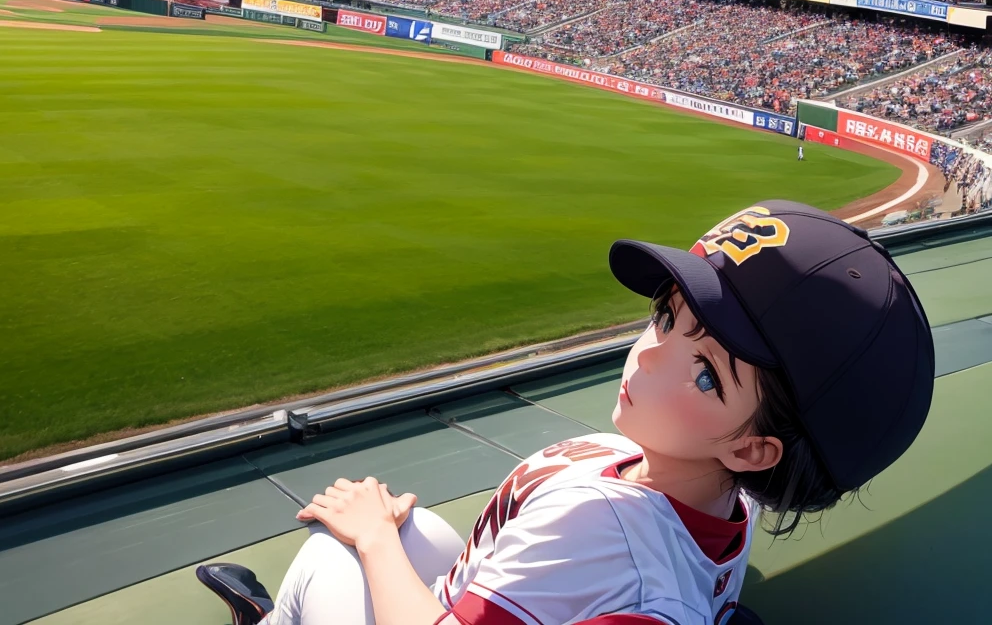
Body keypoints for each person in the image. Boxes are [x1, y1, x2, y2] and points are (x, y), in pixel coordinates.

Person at [197, 201, 934, 625]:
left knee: (341, 547)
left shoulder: (601, 528)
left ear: (753, 450)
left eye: (706, 372)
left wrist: (369, 540)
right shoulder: (713, 503)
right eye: (667, 316)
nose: (649, 354)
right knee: (419, 528)